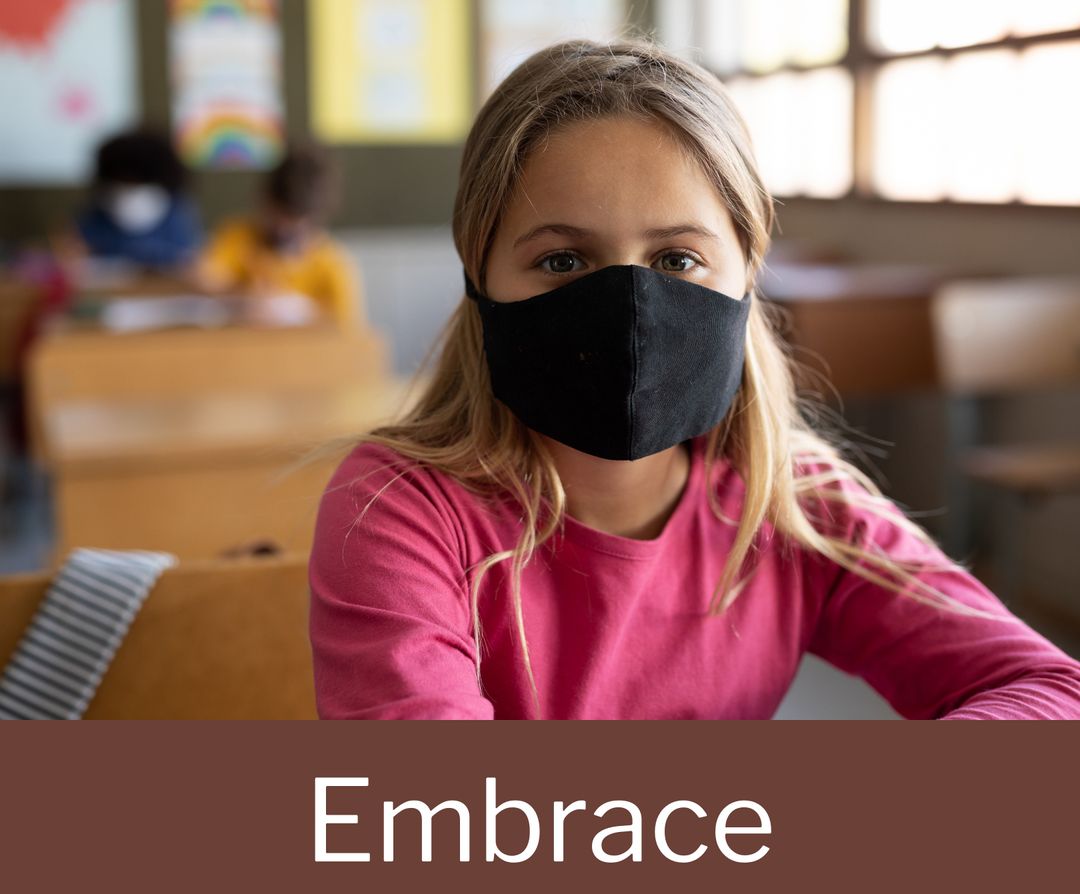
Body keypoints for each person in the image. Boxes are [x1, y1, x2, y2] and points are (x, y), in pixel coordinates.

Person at [308, 39, 1080, 720]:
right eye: (562, 261)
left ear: (748, 272)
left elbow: (1048, 688)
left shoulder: (795, 502)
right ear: (478, 275)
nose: (628, 307)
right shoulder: (399, 510)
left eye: (678, 259)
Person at [198, 142, 361, 327]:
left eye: (292, 222)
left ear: (313, 219)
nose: (282, 229)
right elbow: (205, 278)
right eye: (276, 217)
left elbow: (347, 328)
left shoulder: (332, 265)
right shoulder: (238, 237)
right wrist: (246, 296)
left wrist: (301, 310)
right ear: (263, 200)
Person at [71, 129, 202, 269]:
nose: (130, 190)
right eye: (123, 182)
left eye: (138, 182)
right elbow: (76, 250)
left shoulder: (178, 212)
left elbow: (191, 257)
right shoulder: (97, 212)